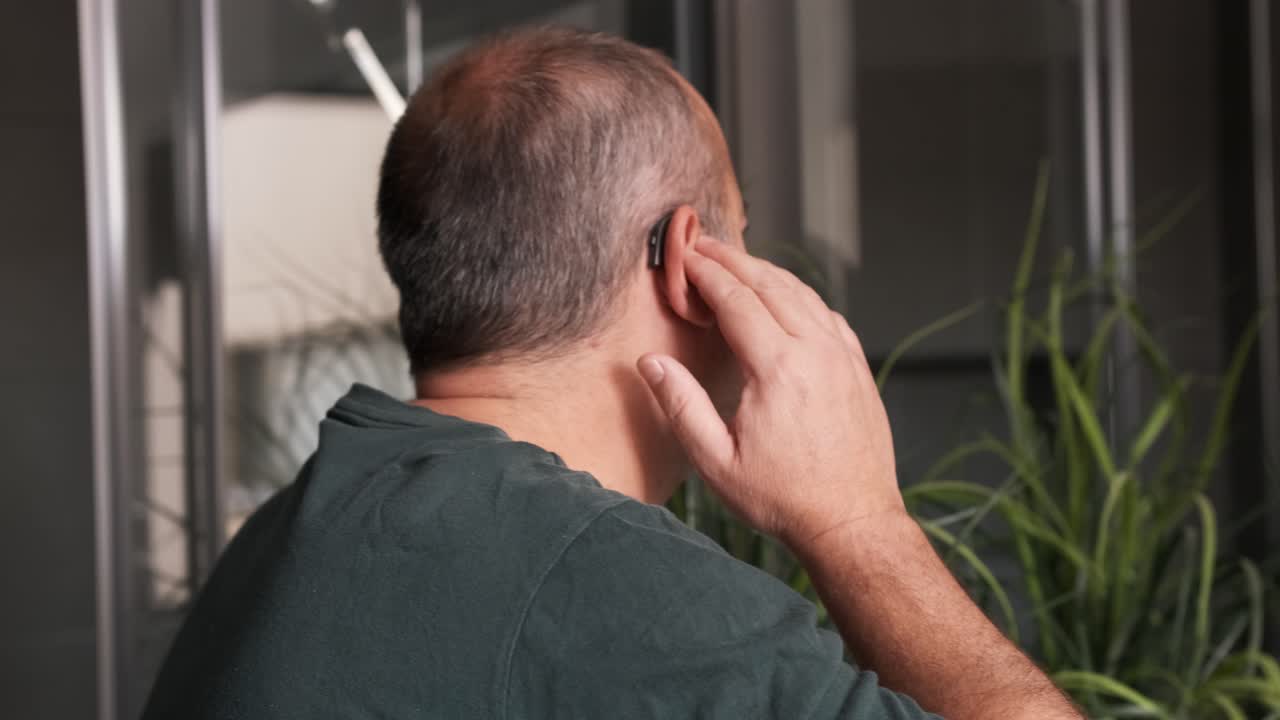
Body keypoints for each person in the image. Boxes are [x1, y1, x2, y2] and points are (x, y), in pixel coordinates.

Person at [142, 26, 1082, 719]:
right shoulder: (599, 583)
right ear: (688, 262)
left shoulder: (288, 538)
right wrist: (860, 525)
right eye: (739, 235)